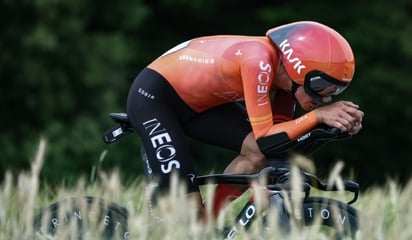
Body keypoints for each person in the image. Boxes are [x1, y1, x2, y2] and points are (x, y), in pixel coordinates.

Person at [126, 21, 364, 221]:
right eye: (320, 88)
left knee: (257, 155)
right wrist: (318, 117)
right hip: (156, 99)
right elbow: (265, 136)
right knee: (185, 214)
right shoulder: (258, 61)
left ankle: (207, 223)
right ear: (297, 69)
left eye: (335, 92)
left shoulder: (286, 82)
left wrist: (332, 127)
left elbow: (276, 144)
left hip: (200, 104)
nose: (324, 98)